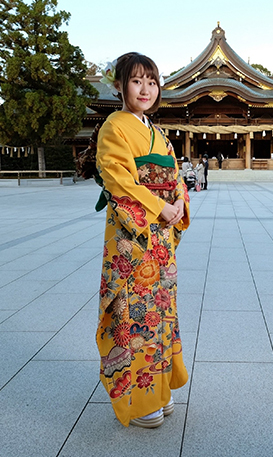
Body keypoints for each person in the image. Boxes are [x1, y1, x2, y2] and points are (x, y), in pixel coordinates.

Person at [95, 52, 190, 428]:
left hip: (161, 238)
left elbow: (176, 174)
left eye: (152, 81)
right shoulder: (114, 128)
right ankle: (138, 401)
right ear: (119, 86)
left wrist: (179, 199)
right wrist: (158, 207)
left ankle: (160, 391)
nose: (146, 88)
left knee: (161, 313)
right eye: (137, 81)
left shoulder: (158, 132)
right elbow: (118, 178)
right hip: (133, 239)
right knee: (135, 315)